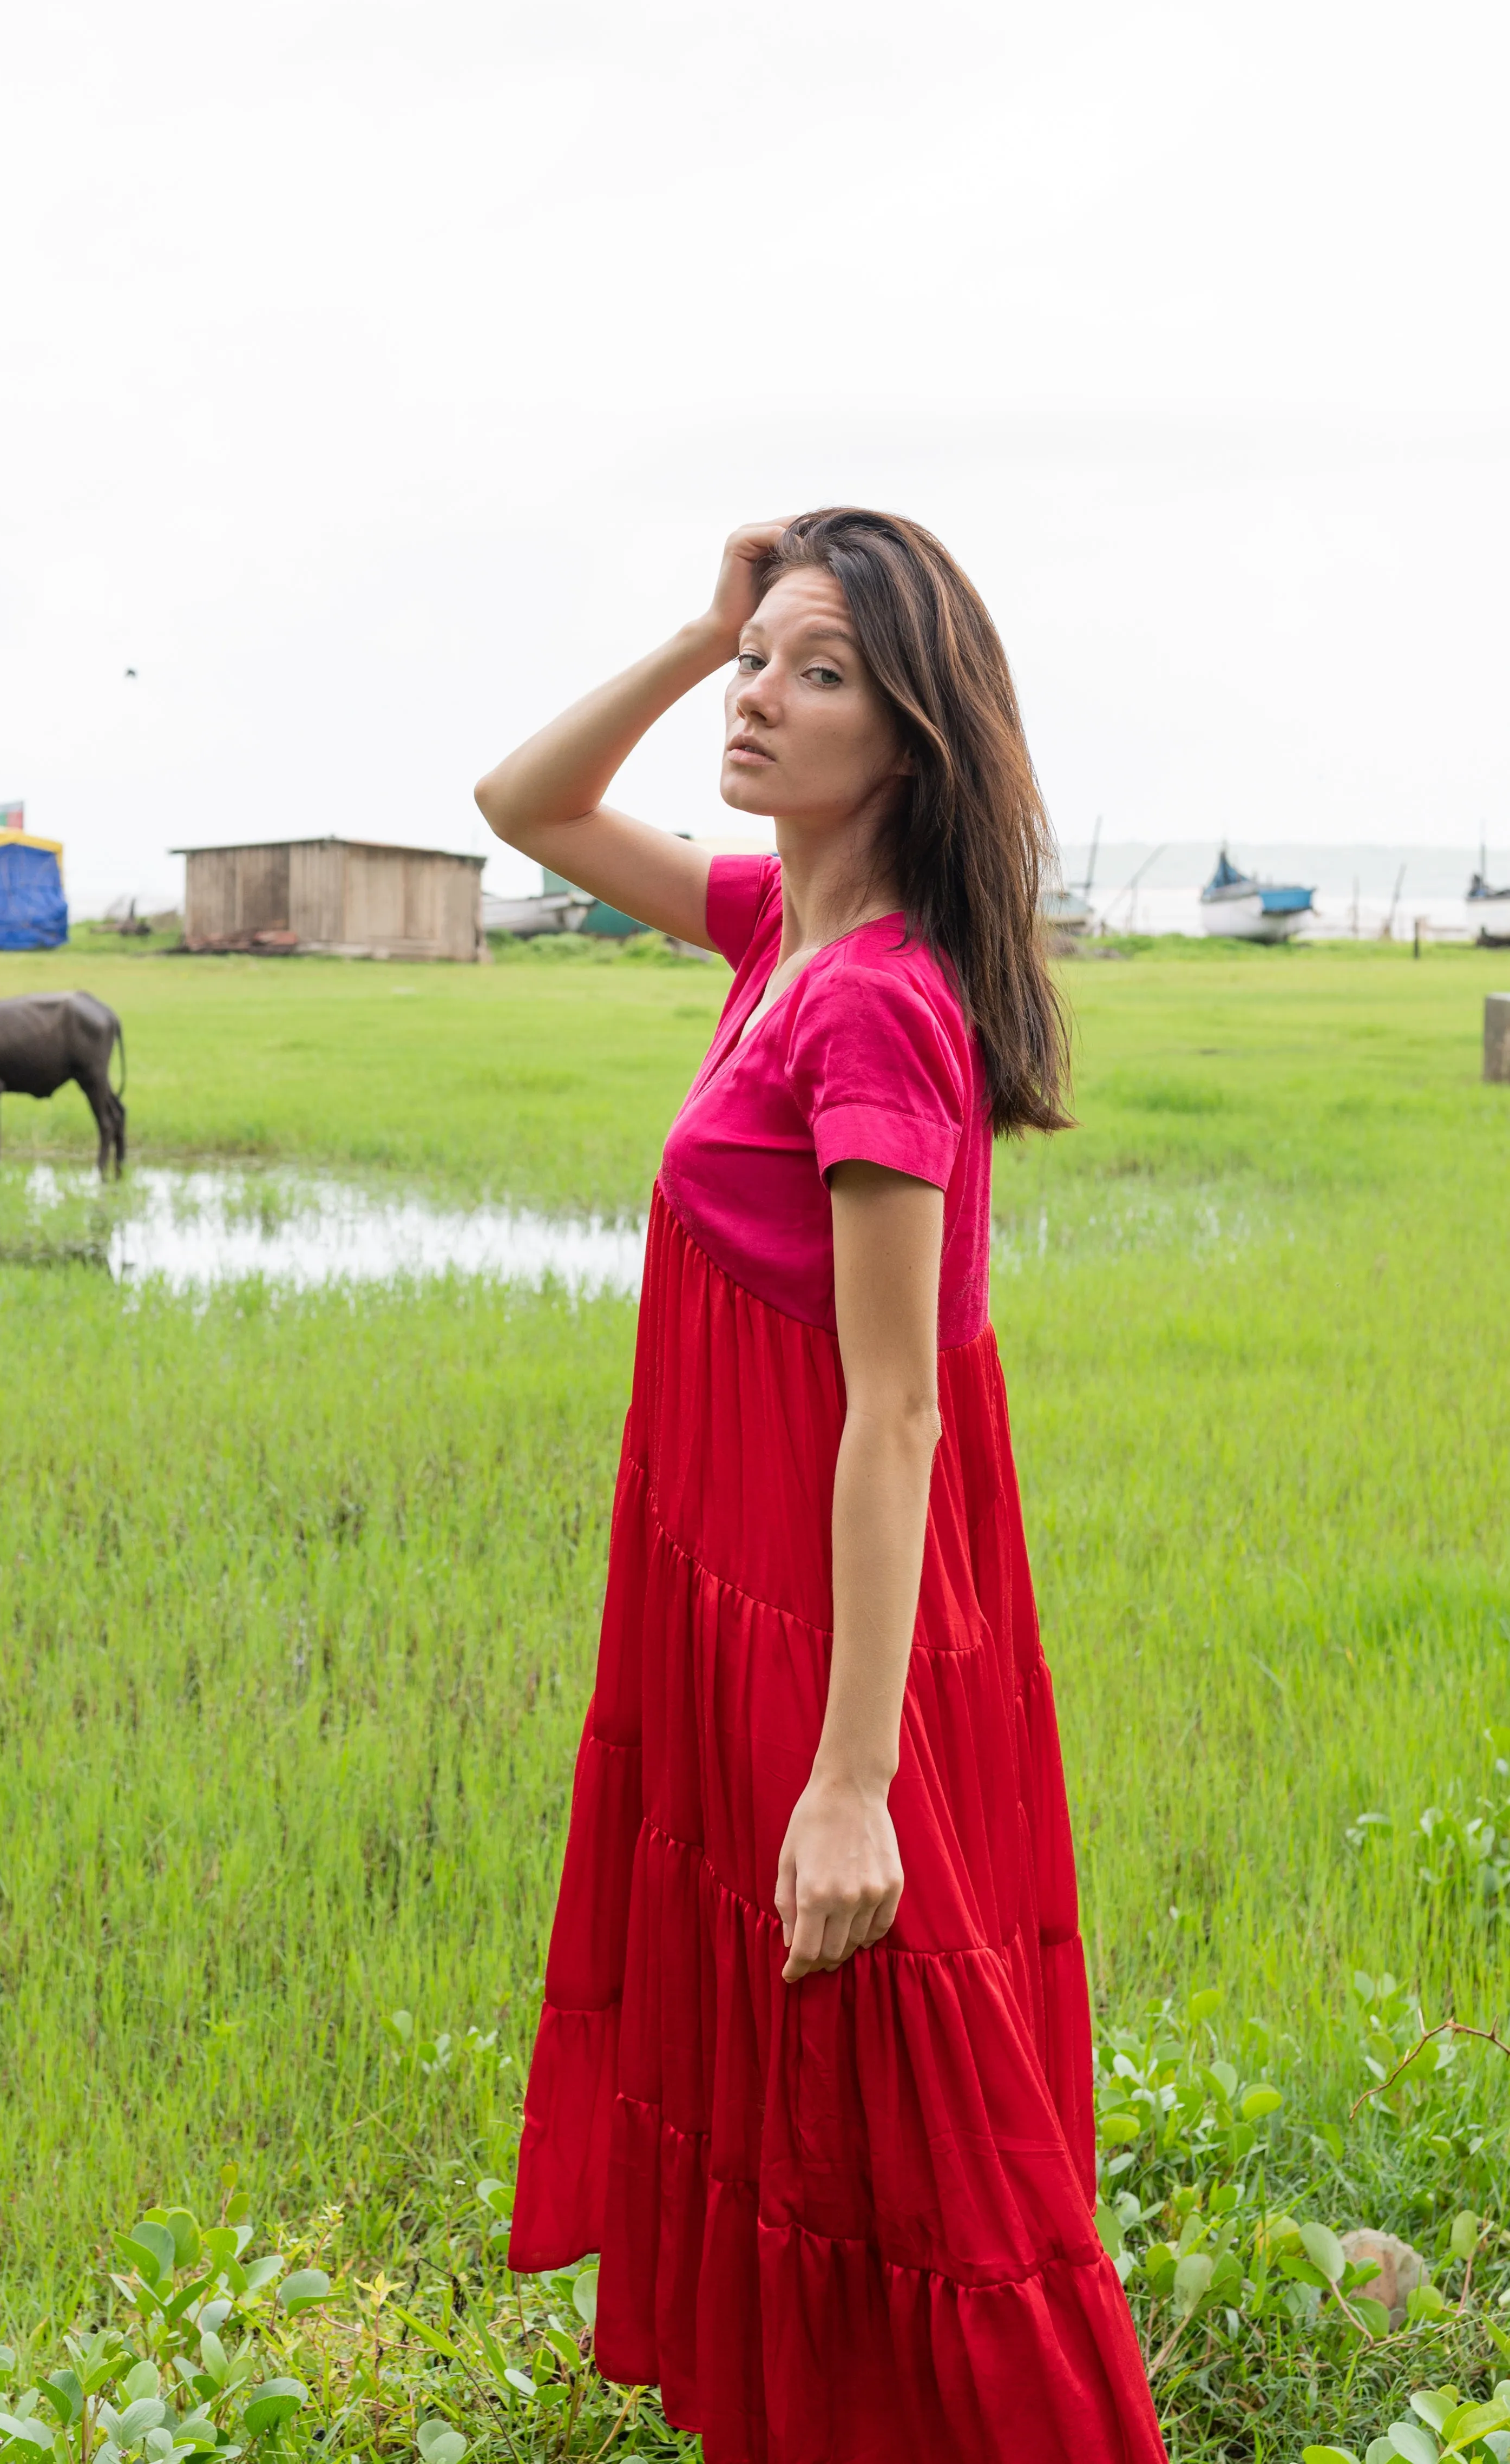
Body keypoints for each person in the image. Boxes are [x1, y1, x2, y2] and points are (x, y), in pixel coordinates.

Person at [475, 512, 1166, 2464]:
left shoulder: (873, 1003)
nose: (760, 699)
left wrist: (852, 1777)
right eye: (759, 660)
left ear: (914, 741)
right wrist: (705, 628)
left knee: (911, 2078)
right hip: (743, 1588)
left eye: (817, 672)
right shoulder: (780, 934)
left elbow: (898, 1415)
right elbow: (522, 802)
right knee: (809, 2074)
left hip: (823, 1612)